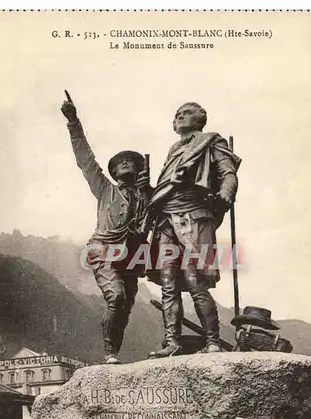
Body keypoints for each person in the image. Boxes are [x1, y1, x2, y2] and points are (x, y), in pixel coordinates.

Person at [146, 102, 241, 358]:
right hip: (166, 220)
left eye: (185, 113)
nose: (178, 116)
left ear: (200, 119)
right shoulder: (173, 149)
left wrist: (224, 195)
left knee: (194, 279)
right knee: (168, 283)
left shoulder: (211, 142)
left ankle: (212, 341)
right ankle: (172, 342)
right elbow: (165, 188)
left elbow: (229, 174)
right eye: (176, 114)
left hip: (194, 217)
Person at [61, 92, 151, 364]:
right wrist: (73, 123)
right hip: (102, 250)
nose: (125, 164)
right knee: (116, 296)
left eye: (131, 162)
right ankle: (109, 352)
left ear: (139, 169)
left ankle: (114, 354)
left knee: (125, 308)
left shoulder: (148, 195)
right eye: (120, 163)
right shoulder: (105, 190)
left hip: (133, 258)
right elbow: (85, 159)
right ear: (113, 172)